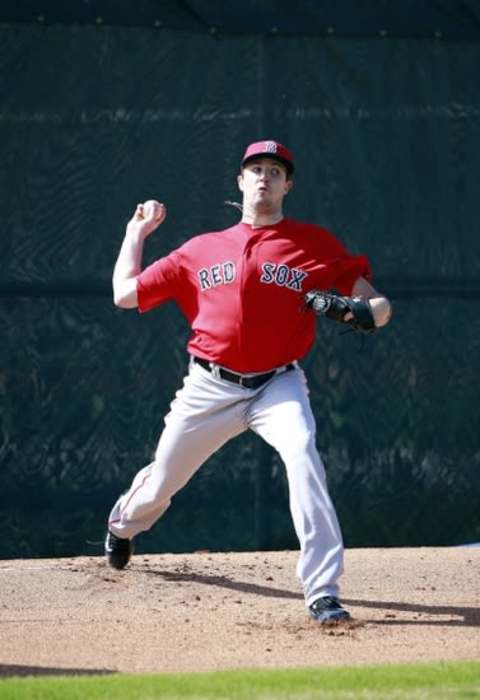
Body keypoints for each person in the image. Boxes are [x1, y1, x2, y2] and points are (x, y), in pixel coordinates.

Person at [105, 140, 392, 624]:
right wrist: (135, 233)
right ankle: (123, 524)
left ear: (288, 185)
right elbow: (124, 296)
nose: (265, 177)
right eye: (256, 169)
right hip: (208, 386)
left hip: (276, 386)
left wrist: (356, 310)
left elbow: (380, 307)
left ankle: (322, 591)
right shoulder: (199, 250)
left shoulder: (313, 245)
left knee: (303, 454)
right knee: (161, 482)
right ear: (240, 181)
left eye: (275, 171)